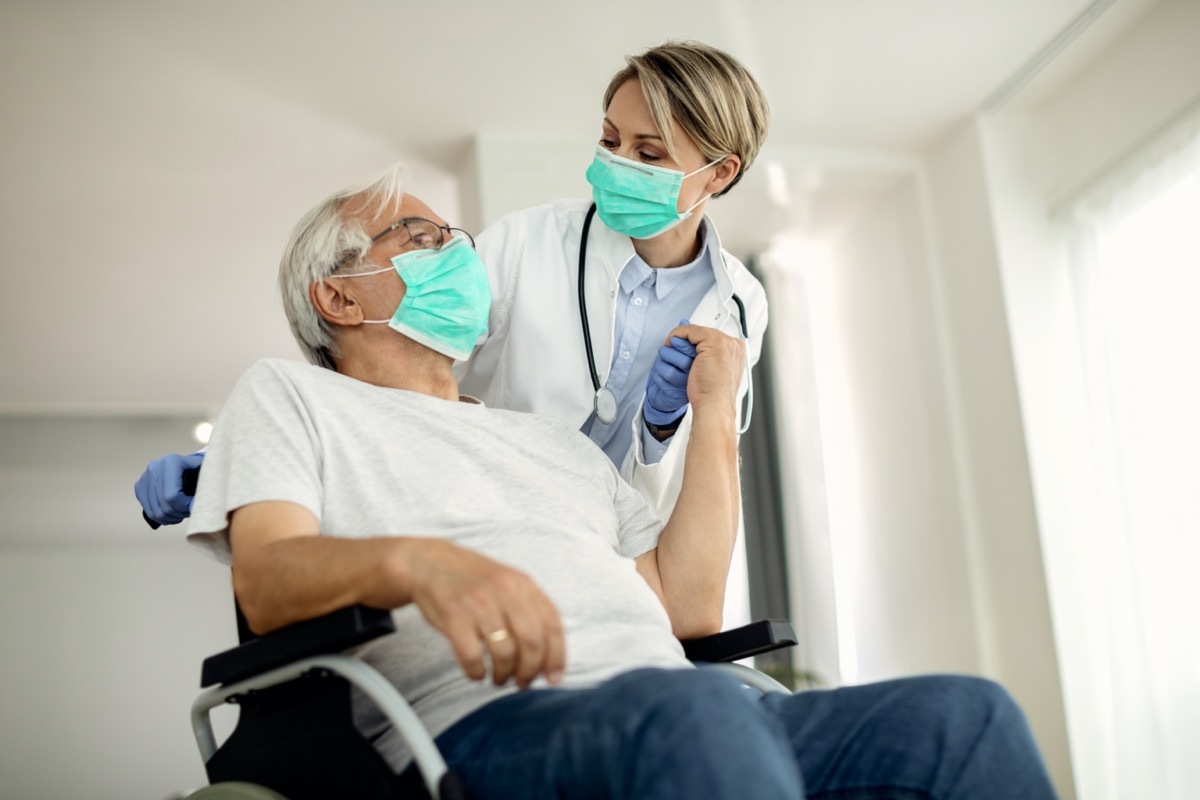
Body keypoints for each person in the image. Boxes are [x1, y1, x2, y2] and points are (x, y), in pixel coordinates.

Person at [185, 164, 1058, 799]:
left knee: (963, 717)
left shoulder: (553, 446)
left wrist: (717, 410)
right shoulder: (291, 394)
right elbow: (265, 580)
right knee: (690, 717)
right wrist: (418, 564)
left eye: (453, 238)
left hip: (684, 708)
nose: (457, 252)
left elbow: (686, 610)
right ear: (338, 298)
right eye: (420, 238)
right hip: (486, 728)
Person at [136, 39, 768, 542]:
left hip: (617, 542)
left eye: (649, 153)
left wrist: (659, 432)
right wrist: (242, 451)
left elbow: (700, 478)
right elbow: (388, 349)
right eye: (609, 140)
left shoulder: (741, 306)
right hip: (493, 518)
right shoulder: (530, 242)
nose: (616, 162)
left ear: (718, 173)